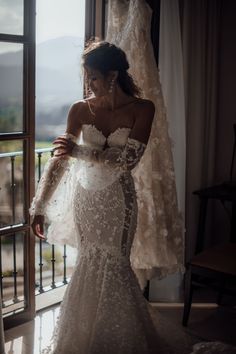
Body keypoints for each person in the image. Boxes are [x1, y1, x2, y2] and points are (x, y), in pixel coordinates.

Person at [30, 41, 168, 354]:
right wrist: (39, 205)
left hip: (118, 200)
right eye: (86, 77)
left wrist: (80, 150)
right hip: (86, 200)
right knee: (88, 263)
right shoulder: (79, 109)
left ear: (112, 75)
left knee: (115, 264)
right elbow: (59, 160)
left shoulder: (143, 108)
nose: (88, 83)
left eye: (93, 76)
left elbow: (129, 159)